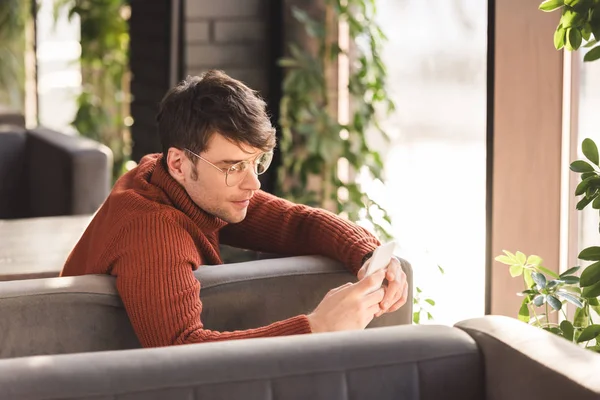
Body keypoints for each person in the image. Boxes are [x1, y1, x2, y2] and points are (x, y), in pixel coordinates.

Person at [61, 70, 408, 348]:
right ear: (180, 164)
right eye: (233, 167)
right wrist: (317, 328)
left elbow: (294, 223)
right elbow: (182, 355)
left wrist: (367, 254)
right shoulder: (153, 230)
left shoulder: (173, 180)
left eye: (258, 162)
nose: (253, 184)